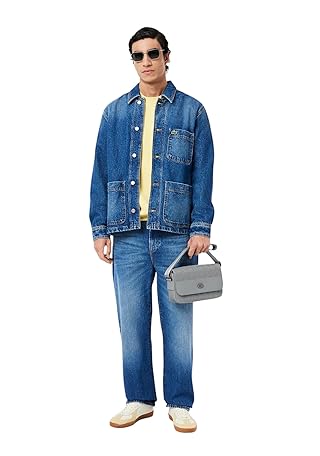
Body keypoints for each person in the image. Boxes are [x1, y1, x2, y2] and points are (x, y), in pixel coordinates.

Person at [89, 26, 215, 433]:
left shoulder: (191, 111)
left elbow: (203, 174)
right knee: (131, 323)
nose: (146, 61)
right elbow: (100, 172)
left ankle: (179, 402)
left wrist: (201, 226)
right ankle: (139, 399)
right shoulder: (114, 113)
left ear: (167, 56)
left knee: (178, 323)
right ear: (133, 61)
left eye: (153, 53)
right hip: (126, 234)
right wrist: (99, 228)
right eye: (138, 55)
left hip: (176, 235)